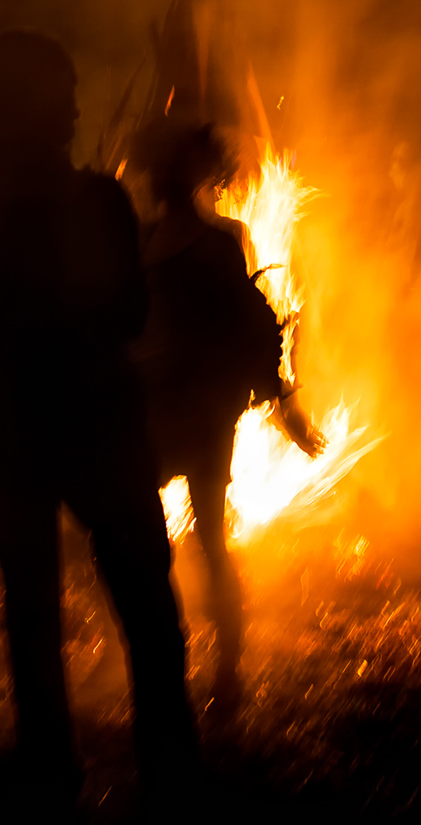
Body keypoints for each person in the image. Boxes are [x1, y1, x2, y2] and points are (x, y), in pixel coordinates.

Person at [0, 31, 196, 807]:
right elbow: (129, 315)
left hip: (9, 423)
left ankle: (50, 763)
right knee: (143, 601)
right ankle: (168, 764)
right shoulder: (95, 201)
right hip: (94, 423)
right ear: (24, 105)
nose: (75, 106)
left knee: (32, 605)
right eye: (61, 92)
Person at [129, 118, 321, 707]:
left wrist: (284, 403)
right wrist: (283, 403)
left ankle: (222, 668)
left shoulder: (206, 244)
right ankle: (186, 663)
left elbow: (250, 325)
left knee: (200, 539)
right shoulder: (147, 244)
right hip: (169, 412)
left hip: (192, 413)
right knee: (178, 541)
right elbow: (250, 326)